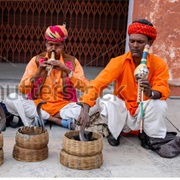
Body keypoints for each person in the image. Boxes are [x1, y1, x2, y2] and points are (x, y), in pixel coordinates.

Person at [77, 19, 180, 158]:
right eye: (132, 41)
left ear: (149, 44)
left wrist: (151, 92)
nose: (135, 46)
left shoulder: (158, 64)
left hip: (143, 111)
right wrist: (85, 108)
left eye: (140, 42)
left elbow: (163, 89)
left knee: (159, 103)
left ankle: (151, 137)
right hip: (123, 112)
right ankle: (116, 132)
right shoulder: (119, 62)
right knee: (108, 100)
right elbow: (98, 83)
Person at [4, 24, 89, 129]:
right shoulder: (36, 61)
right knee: (11, 100)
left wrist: (67, 70)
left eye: (57, 45)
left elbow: (86, 87)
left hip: (64, 107)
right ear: (46, 44)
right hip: (37, 105)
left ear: (63, 45)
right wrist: (37, 73)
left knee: (91, 106)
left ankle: (42, 118)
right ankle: (57, 121)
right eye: (50, 45)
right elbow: (22, 90)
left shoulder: (72, 62)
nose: (53, 49)